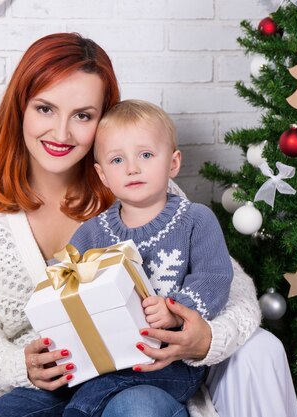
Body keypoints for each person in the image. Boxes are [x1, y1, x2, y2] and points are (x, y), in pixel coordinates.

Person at [0, 32, 297, 417]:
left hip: (147, 373)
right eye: (45, 109)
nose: (61, 133)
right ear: (20, 108)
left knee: (134, 406)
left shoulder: (139, 183)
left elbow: (229, 282)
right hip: (50, 381)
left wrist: (206, 339)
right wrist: (20, 365)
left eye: (83, 115)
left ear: (105, 120)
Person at [62, 99, 234, 415]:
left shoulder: (195, 220)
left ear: (173, 162)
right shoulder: (92, 233)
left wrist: (175, 312)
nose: (132, 167)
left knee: (94, 393)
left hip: (171, 362)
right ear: (102, 175)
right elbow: (62, 279)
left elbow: (215, 279)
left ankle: (79, 410)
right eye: (117, 160)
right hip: (111, 357)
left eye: (145, 155)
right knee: (72, 383)